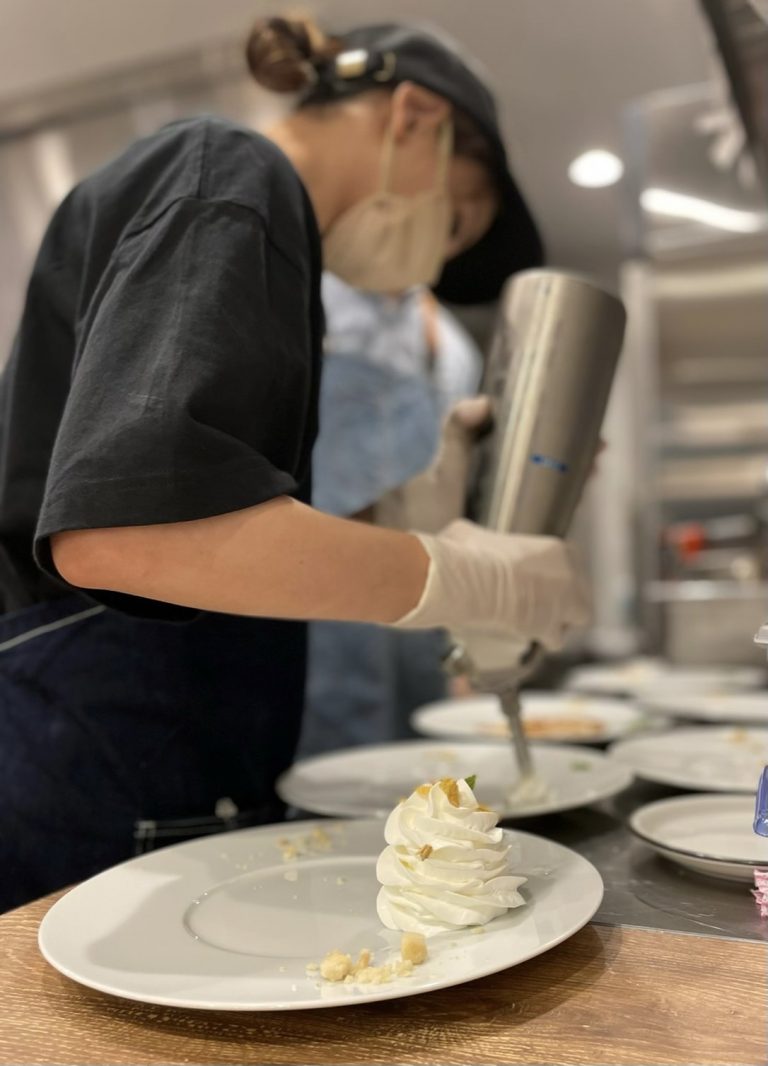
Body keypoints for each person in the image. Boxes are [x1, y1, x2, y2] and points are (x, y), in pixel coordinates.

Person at [0, 16, 588, 911]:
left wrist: (405, 515)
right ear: (415, 116)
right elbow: (125, 538)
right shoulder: (228, 174)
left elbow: (198, 535)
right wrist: (478, 581)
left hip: (140, 753)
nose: (431, 259)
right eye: (455, 219)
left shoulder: (250, 216)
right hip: (100, 754)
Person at [299, 273, 483, 757]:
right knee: (332, 752)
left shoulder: (452, 347)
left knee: (421, 752)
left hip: (419, 582)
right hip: (313, 576)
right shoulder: (302, 295)